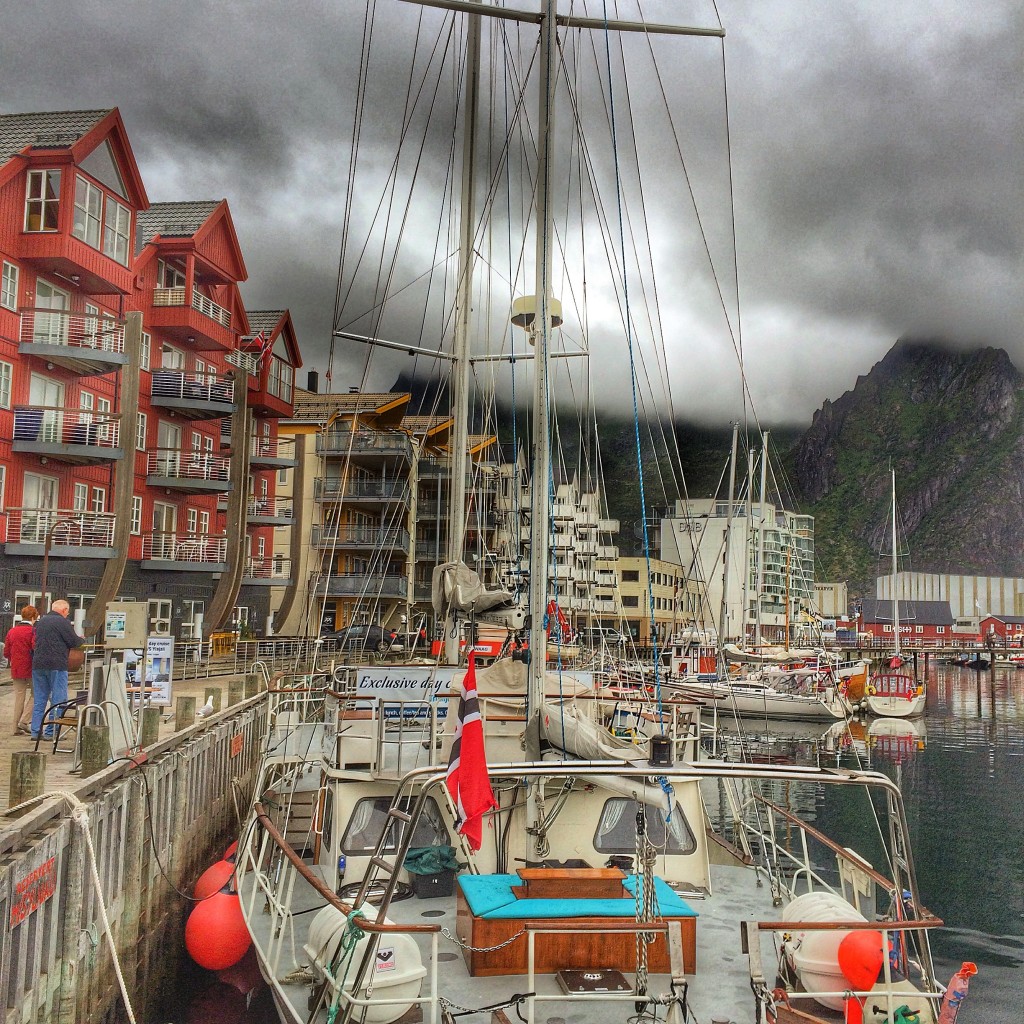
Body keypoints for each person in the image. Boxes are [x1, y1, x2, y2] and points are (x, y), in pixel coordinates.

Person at [31, 599, 83, 741]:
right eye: (67, 612)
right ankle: (51, 732)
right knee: (58, 699)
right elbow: (74, 642)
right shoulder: (62, 622)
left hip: (38, 665)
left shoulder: (40, 622)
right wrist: (82, 640)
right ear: (64, 610)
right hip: (57, 664)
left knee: (40, 699)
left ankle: (35, 731)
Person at [3, 606, 38, 735]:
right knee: (36, 694)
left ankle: (15, 728)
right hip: (31, 668)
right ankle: (24, 721)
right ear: (33, 617)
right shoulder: (33, 631)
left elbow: (6, 652)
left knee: (19, 697)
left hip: (16, 668)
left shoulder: (12, 631)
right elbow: (35, 647)